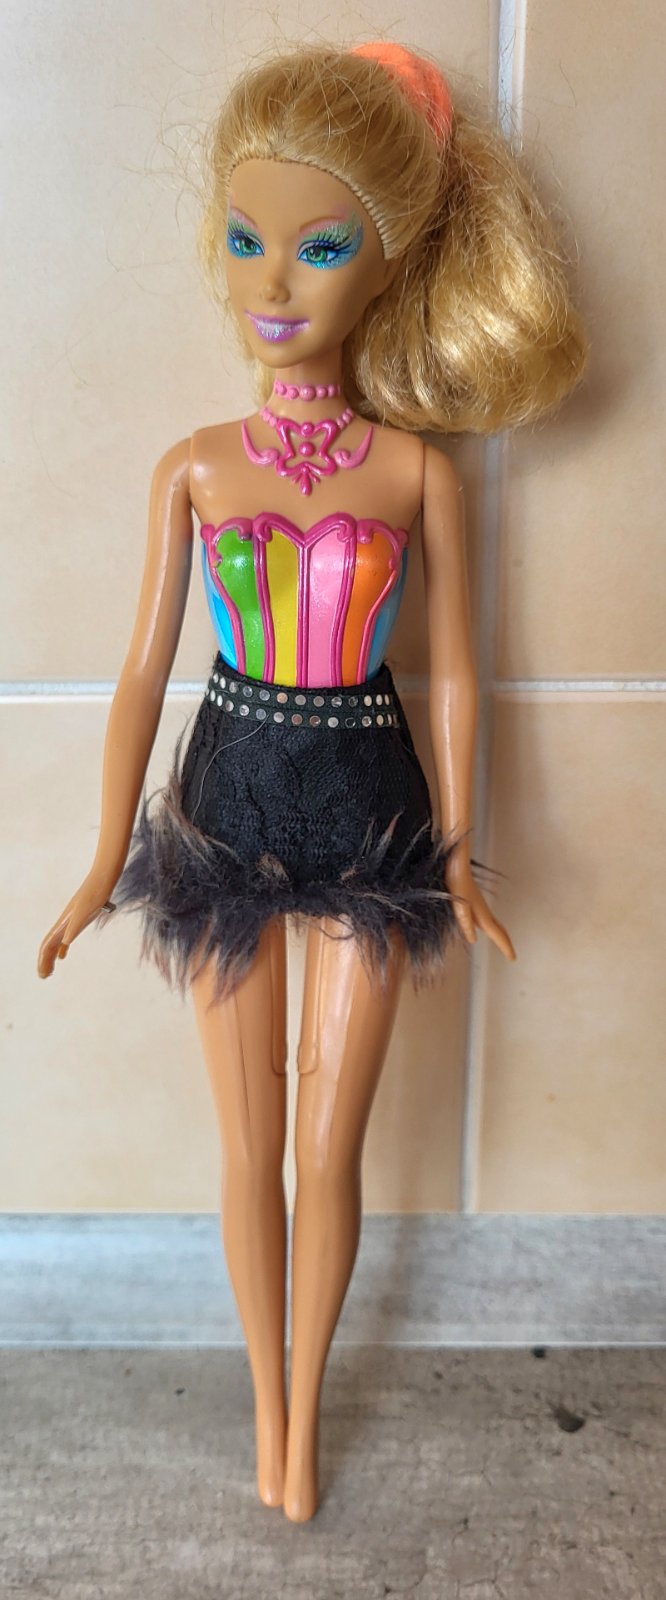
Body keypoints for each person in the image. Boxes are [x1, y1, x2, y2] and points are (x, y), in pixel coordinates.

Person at [37, 41, 588, 1521]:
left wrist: (458, 853)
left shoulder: (416, 472)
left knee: (327, 1148)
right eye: (245, 237)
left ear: (389, 261)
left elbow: (458, 672)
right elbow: (142, 673)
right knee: (249, 1147)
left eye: (320, 246)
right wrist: (101, 854)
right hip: (226, 794)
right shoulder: (194, 467)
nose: (272, 282)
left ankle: (307, 1421)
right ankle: (266, 1414)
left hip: (369, 805)